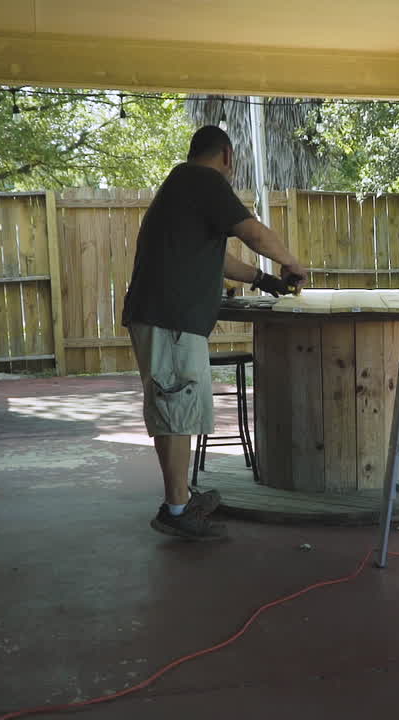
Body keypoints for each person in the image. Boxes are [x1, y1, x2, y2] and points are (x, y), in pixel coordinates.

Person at [122, 125, 308, 540]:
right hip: (170, 319)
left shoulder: (181, 186)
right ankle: (176, 511)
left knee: (173, 410)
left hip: (162, 316)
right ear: (226, 154)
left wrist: (263, 278)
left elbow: (219, 258)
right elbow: (253, 232)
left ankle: (180, 499)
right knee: (175, 412)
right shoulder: (203, 180)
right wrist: (291, 264)